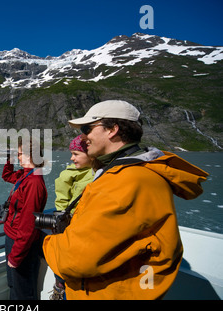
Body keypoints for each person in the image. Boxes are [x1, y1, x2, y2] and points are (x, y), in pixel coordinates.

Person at [43, 100, 209, 300]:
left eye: (87, 128)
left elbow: (75, 260)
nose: (83, 137)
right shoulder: (131, 173)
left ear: (112, 129)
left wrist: (49, 242)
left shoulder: (125, 181)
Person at [49, 135, 95, 300]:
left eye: (76, 154)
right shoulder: (70, 174)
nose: (72, 157)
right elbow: (62, 199)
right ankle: (60, 288)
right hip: (72, 226)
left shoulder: (98, 172)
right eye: (72, 153)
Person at [2, 137, 48, 300]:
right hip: (12, 237)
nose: (18, 157)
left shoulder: (34, 182)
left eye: (20, 154)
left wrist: (16, 256)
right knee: (14, 284)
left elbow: (28, 225)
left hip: (19, 243)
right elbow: (7, 176)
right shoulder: (25, 175)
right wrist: (10, 159)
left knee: (23, 291)